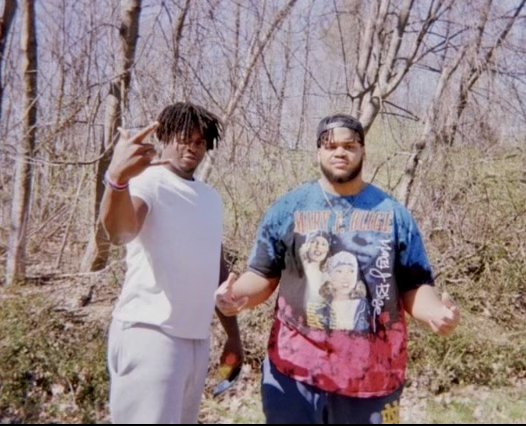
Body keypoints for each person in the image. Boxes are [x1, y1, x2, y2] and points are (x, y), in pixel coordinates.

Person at [215, 113, 460, 424]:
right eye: (330, 146)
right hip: (295, 375)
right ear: (318, 151)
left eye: (349, 145)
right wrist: (236, 296)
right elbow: (262, 276)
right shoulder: (288, 209)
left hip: (374, 380)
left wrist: (435, 312)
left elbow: (414, 284)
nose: (340, 152)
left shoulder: (394, 214)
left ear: (362, 151)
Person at [101, 102, 242, 424]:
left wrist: (232, 336)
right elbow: (120, 232)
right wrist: (117, 180)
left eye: (200, 141)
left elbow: (215, 267)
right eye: (183, 137)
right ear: (165, 136)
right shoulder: (148, 182)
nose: (192, 146)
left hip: (195, 339)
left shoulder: (210, 199)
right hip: (150, 333)